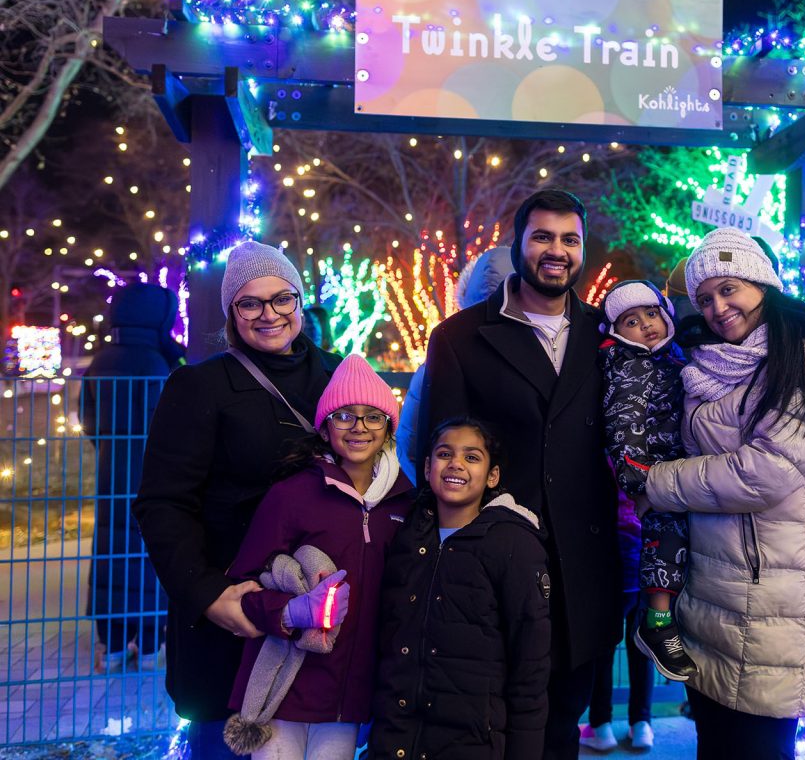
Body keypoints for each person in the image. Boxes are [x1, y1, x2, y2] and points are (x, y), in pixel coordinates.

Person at [642, 227, 805, 759]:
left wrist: (658, 483)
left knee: (760, 747)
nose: (718, 308)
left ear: (761, 284)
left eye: (729, 289)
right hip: (708, 597)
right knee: (715, 744)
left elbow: (764, 473)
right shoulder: (704, 364)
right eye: (704, 299)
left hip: (774, 602)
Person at [419, 189, 621, 758]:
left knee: (561, 729)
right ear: (518, 244)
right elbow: (441, 459)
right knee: (485, 729)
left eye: (570, 239)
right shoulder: (459, 337)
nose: (557, 250)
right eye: (543, 237)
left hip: (583, 572)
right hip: (494, 566)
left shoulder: (607, 334)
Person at [133, 240, 343, 759]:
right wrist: (207, 595)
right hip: (235, 615)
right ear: (232, 312)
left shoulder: (340, 376)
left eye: (282, 298)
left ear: (299, 301)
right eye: (250, 303)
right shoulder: (199, 386)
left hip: (321, 618)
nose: (269, 314)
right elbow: (164, 504)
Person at [223, 354, 415, 760]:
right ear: (325, 429)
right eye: (344, 416)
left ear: (388, 428)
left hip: (351, 697)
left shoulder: (405, 502)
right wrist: (291, 612)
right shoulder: (292, 494)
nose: (359, 427)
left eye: (373, 416)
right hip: (285, 688)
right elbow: (243, 585)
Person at [370, 418, 550, 760]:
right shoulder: (406, 537)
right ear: (427, 468)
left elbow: (531, 666)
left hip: (471, 744)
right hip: (396, 739)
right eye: (444, 454)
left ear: (492, 476)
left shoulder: (513, 544)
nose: (456, 464)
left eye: (471, 457)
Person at [598, 279, 697, 682]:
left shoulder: (669, 358)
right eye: (631, 321)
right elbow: (622, 428)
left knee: (679, 549)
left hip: (678, 472)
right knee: (664, 546)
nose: (646, 325)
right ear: (617, 333)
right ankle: (657, 623)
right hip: (655, 477)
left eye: (651, 314)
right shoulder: (629, 367)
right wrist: (641, 483)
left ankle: (664, 618)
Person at [82, 282, 183, 672]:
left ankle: (111, 644)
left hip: (112, 474)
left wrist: (112, 450)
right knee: (150, 553)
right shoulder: (158, 363)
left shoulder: (101, 361)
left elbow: (88, 420)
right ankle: (150, 642)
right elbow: (168, 425)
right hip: (155, 477)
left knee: (111, 553)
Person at [394, 246, 513, 484]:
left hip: (458, 496)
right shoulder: (540, 355)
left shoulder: (443, 351)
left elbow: (411, 445)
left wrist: (440, 493)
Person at [578, 489, 654, 752]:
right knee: (643, 648)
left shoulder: (601, 464)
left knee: (602, 651)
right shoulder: (649, 463)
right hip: (645, 561)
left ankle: (601, 725)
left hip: (608, 562)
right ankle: (642, 724)